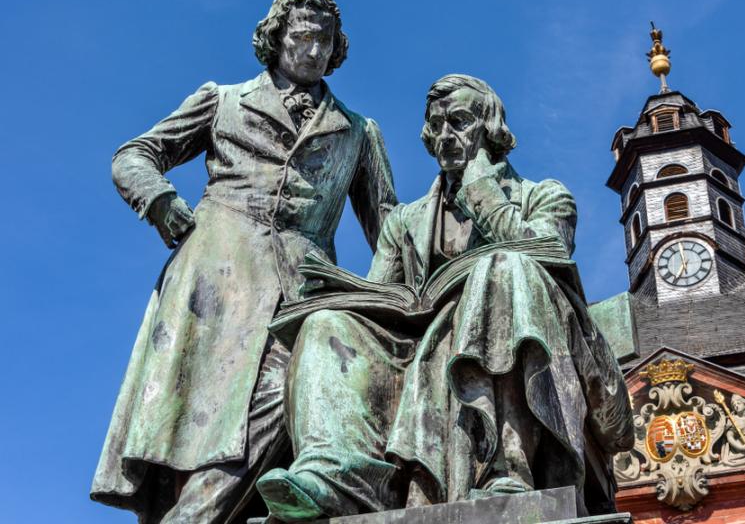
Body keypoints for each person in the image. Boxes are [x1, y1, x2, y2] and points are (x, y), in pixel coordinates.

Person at [256, 74, 633, 522]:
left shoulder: (545, 196)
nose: (445, 136)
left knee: (503, 268)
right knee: (328, 323)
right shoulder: (406, 221)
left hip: (520, 332)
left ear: (490, 129)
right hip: (420, 345)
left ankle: (506, 466)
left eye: (459, 122)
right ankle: (336, 476)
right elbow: (382, 298)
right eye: (435, 126)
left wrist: (483, 193)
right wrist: (343, 294)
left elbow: (550, 252)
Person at [91, 0, 396, 523]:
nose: (315, 50)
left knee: (288, 386)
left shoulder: (358, 132)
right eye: (303, 36)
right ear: (277, 38)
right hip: (213, 278)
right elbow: (135, 154)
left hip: (303, 286)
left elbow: (390, 229)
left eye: (325, 40)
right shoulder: (223, 100)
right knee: (195, 421)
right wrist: (159, 200)